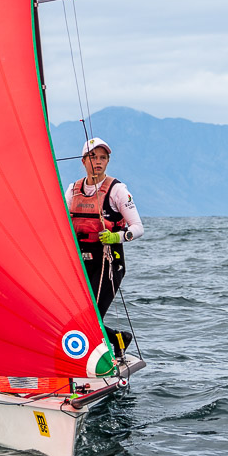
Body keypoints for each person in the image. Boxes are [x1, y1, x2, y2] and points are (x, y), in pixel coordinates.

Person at [66, 137, 143, 330]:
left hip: (109, 262)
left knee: (90, 319)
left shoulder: (118, 190)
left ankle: (117, 341)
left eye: (103, 157)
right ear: (83, 161)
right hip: (81, 262)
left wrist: (117, 236)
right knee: (74, 318)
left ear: (108, 161)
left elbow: (138, 228)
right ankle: (118, 340)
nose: (98, 161)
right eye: (93, 157)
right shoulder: (72, 190)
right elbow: (60, 222)